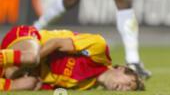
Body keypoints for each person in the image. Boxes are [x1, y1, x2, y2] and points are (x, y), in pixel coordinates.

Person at [0, 26, 144, 91]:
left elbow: (49, 84)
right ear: (122, 68)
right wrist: (25, 67)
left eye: (128, 90)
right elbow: (55, 43)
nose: (124, 89)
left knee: (25, 83)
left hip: (26, 67)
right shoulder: (99, 48)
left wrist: (35, 84)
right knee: (31, 58)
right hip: (31, 39)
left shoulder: (85, 86)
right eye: (128, 83)